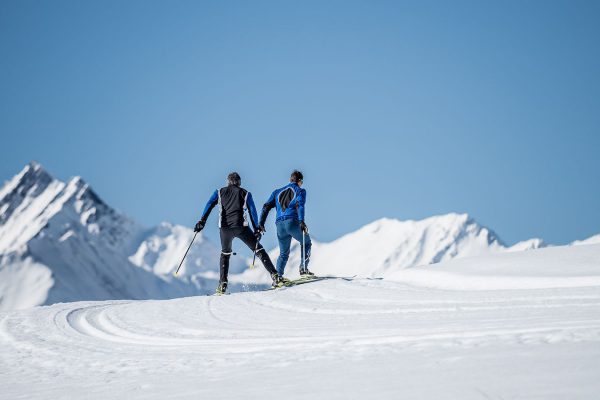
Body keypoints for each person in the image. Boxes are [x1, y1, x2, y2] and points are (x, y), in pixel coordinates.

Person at [195, 172, 284, 294]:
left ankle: (223, 284)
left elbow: (209, 204)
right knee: (258, 250)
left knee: (225, 254)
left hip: (225, 229)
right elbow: (253, 211)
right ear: (239, 182)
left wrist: (202, 221)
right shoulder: (245, 193)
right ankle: (275, 276)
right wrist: (257, 229)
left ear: (228, 181)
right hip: (241, 227)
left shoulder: (219, 192)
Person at [258, 170, 313, 278]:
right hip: (292, 222)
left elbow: (266, 207)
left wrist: (261, 223)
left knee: (283, 253)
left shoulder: (276, 192)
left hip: (279, 225)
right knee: (306, 243)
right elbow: (299, 205)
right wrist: (301, 221)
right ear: (300, 181)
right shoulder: (300, 191)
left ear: (290, 179)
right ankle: (303, 269)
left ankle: (277, 277)